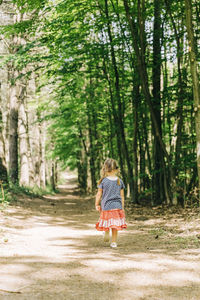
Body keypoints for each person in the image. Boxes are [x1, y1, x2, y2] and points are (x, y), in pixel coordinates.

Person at [95, 158, 127, 248]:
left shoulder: (103, 181)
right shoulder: (119, 181)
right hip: (117, 206)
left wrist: (97, 204)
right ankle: (114, 242)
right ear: (116, 169)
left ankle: (106, 231)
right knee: (115, 225)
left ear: (105, 169)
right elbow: (122, 196)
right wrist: (122, 207)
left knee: (107, 221)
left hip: (106, 206)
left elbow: (99, 194)